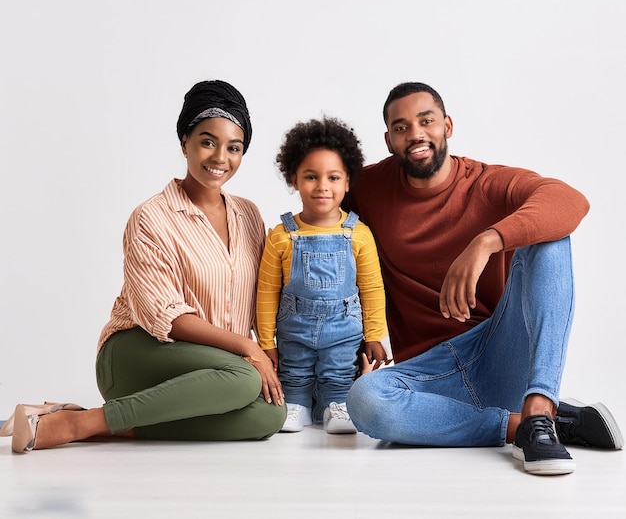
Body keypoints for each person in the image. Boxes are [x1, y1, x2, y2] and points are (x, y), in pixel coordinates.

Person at [344, 82, 623, 475]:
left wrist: (488, 240)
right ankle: (529, 427)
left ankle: (540, 406)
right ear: (389, 140)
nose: (416, 134)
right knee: (365, 401)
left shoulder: (485, 182)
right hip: (427, 373)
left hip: (497, 352)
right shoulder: (368, 187)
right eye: (402, 127)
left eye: (427, 121)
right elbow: (317, 208)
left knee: (550, 237)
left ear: (448, 126)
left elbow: (570, 199)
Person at [8, 80, 286, 453]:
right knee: (242, 379)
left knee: (272, 416)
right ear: (184, 141)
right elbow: (167, 319)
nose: (221, 157)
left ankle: (95, 423)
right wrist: (246, 349)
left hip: (215, 370)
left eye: (234, 148)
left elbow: (266, 295)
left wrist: (267, 349)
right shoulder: (151, 218)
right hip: (138, 352)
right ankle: (77, 424)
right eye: (208, 141)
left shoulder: (249, 216)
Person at [256, 117, 388, 434]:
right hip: (294, 328)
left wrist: (374, 335)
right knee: (295, 367)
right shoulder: (281, 236)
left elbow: (372, 288)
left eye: (333, 177)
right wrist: (265, 342)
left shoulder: (359, 234)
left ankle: (338, 405)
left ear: (347, 182)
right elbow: (266, 293)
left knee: (340, 368)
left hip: (343, 327)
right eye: (311, 177)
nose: (322, 186)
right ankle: (296, 405)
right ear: (294, 179)